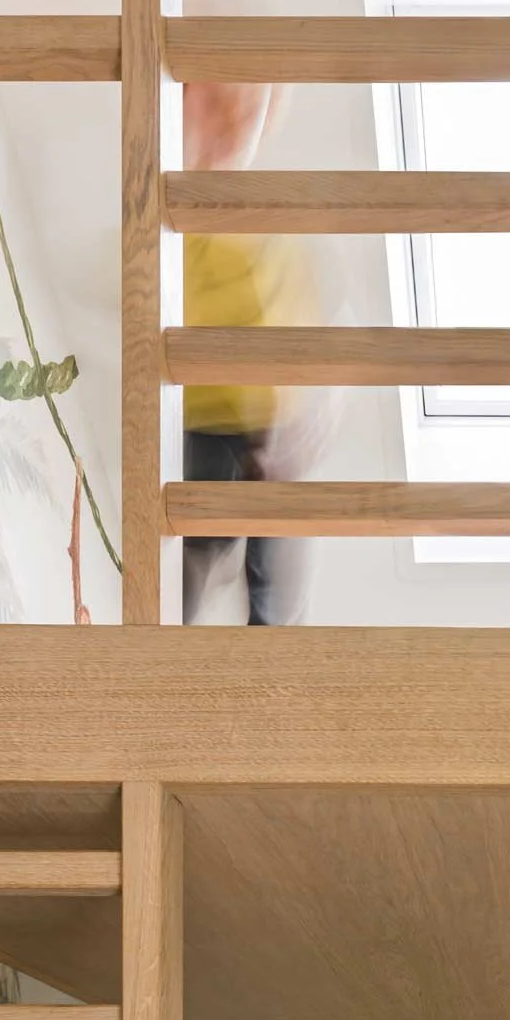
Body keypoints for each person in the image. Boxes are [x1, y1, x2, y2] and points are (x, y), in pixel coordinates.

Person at [180, 80, 326, 626]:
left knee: (277, 578)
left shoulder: (271, 222)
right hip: (205, 420)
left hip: (273, 422)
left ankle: (274, 671)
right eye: (216, 109)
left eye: (244, 114)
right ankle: (168, 653)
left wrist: (307, 412)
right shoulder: (181, 214)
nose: (230, 124)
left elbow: (300, 317)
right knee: (193, 556)